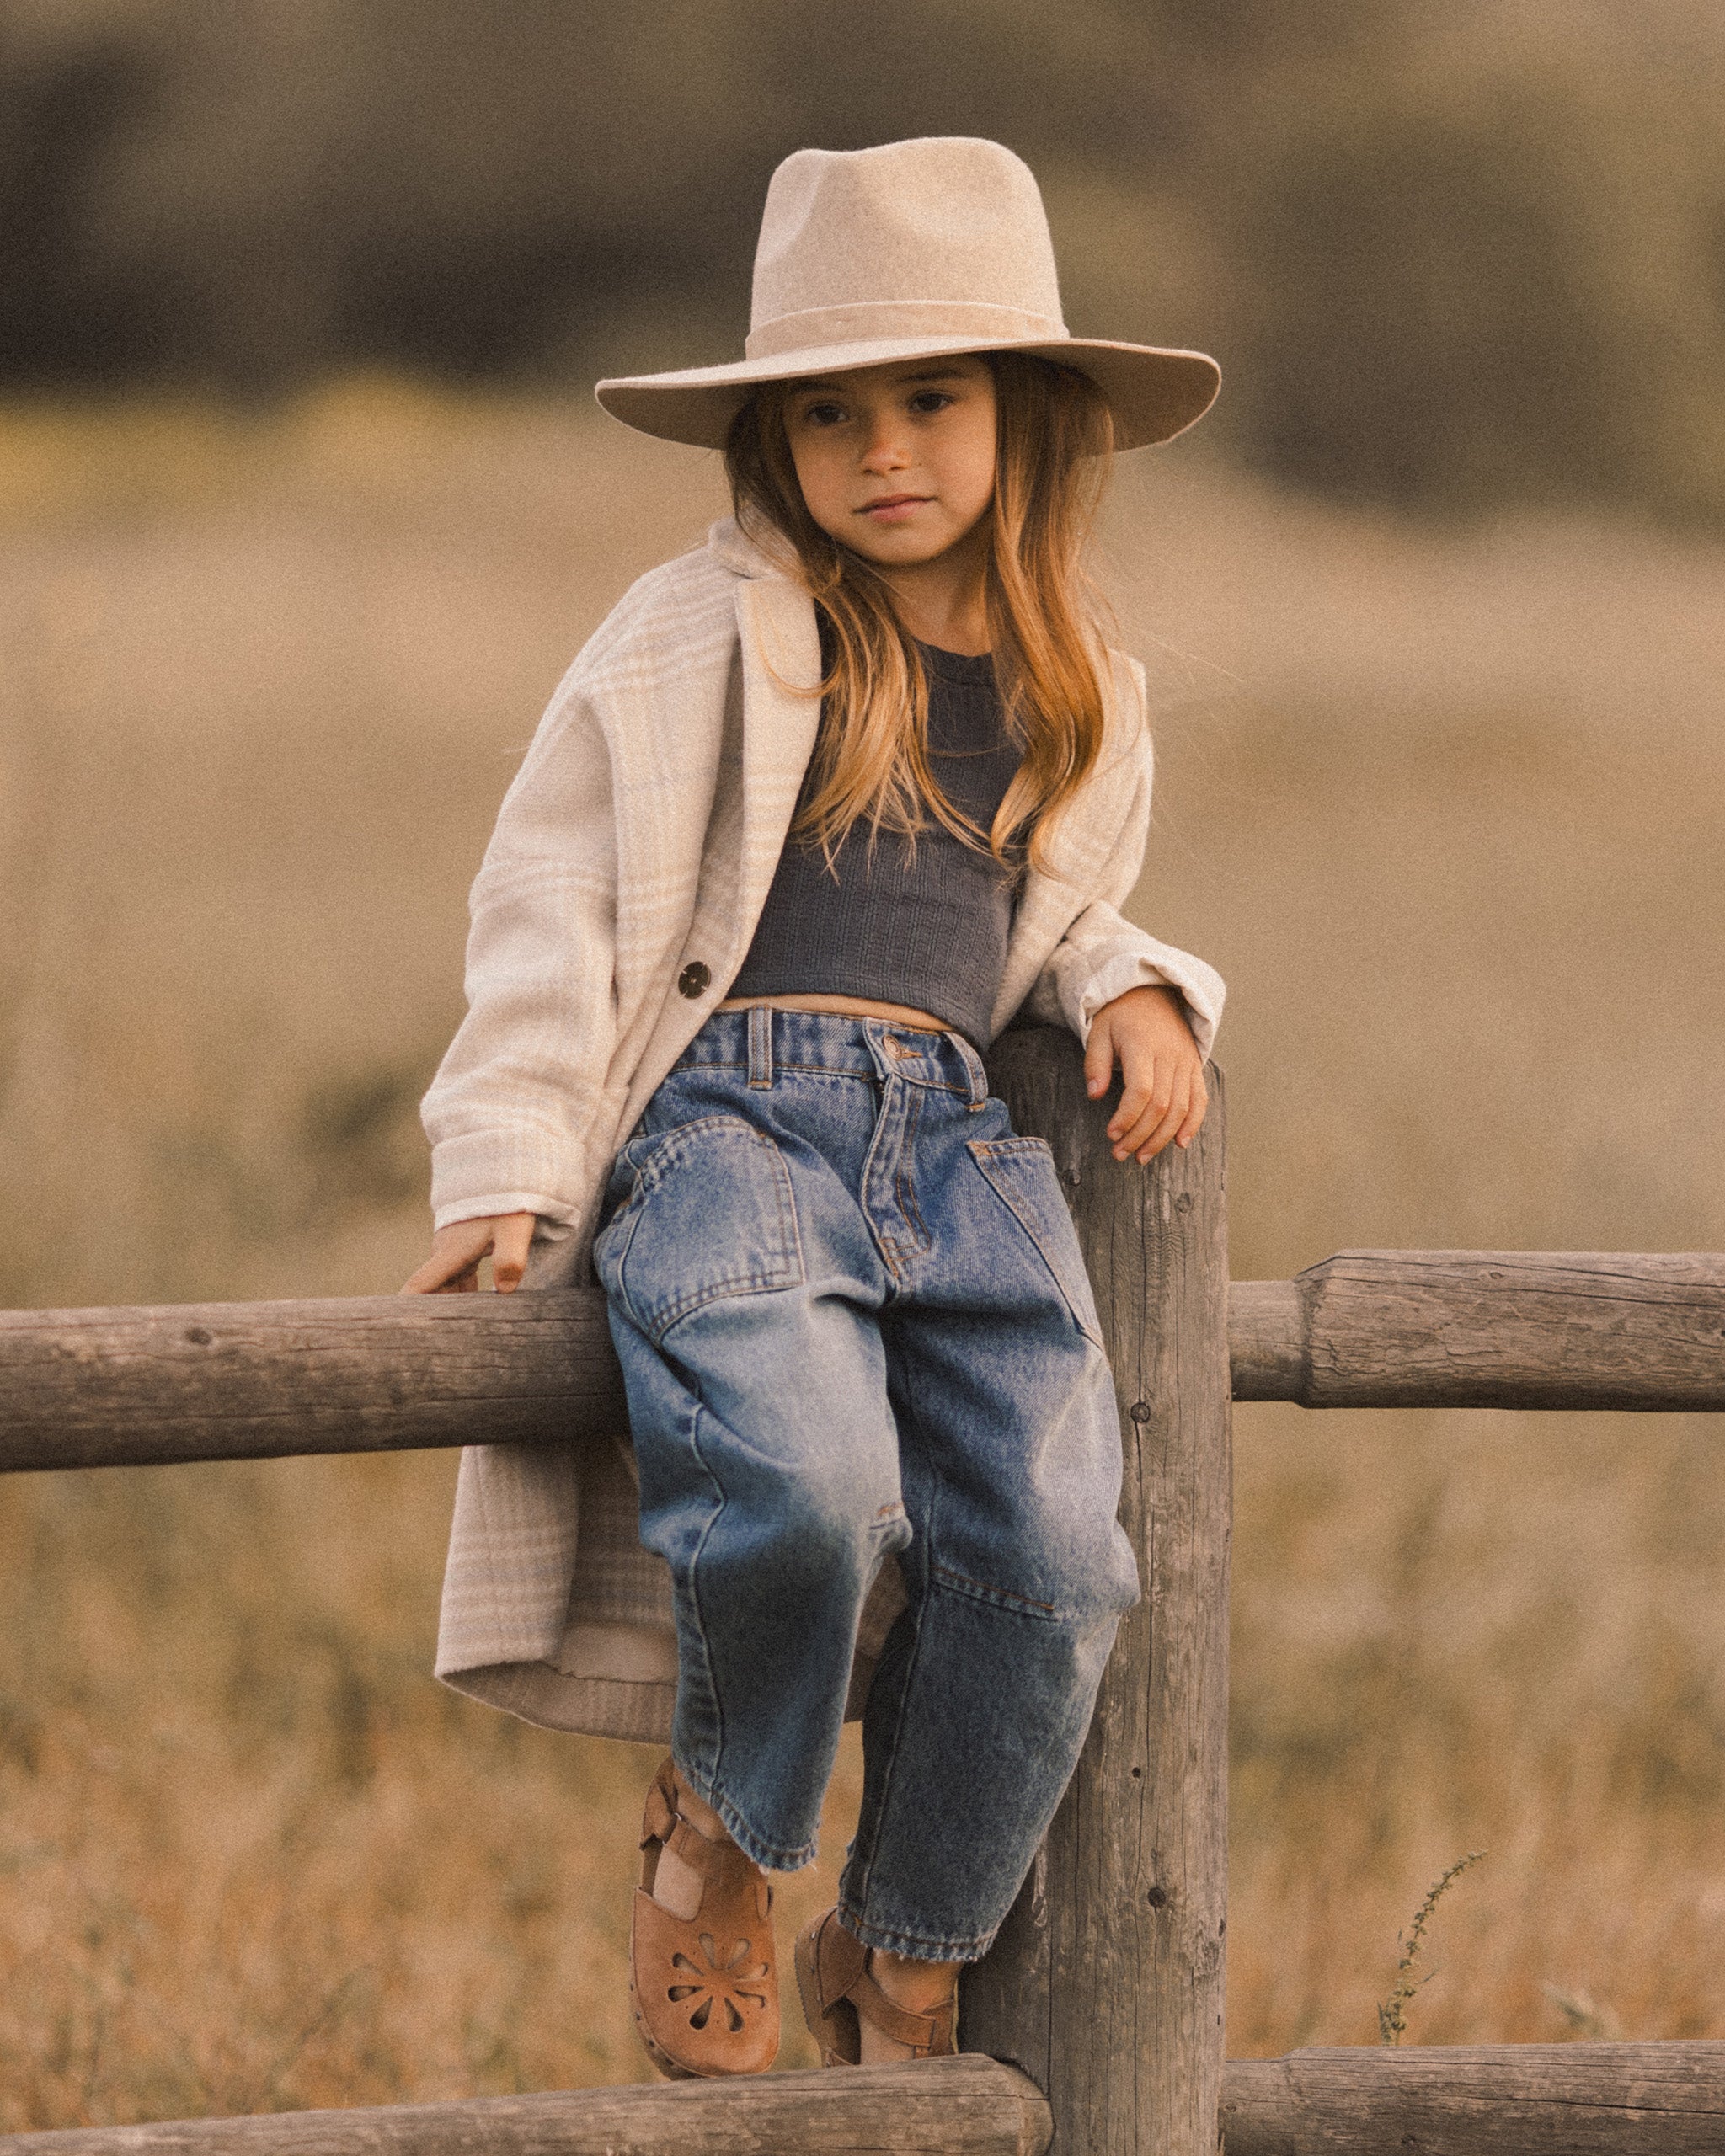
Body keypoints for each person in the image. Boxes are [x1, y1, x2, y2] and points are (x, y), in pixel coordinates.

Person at [403, 136, 1225, 2081]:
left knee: (1057, 1547)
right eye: (829, 411)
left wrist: (1130, 979)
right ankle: (723, 1835)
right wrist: (511, 1151)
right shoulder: (709, 633)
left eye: (929, 398)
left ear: (1023, 418)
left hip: (957, 1149)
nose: (883, 449)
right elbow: (558, 885)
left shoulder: (1075, 680)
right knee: (805, 1486)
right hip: (737, 1130)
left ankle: (909, 1930)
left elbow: (1048, 914)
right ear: (768, 439)